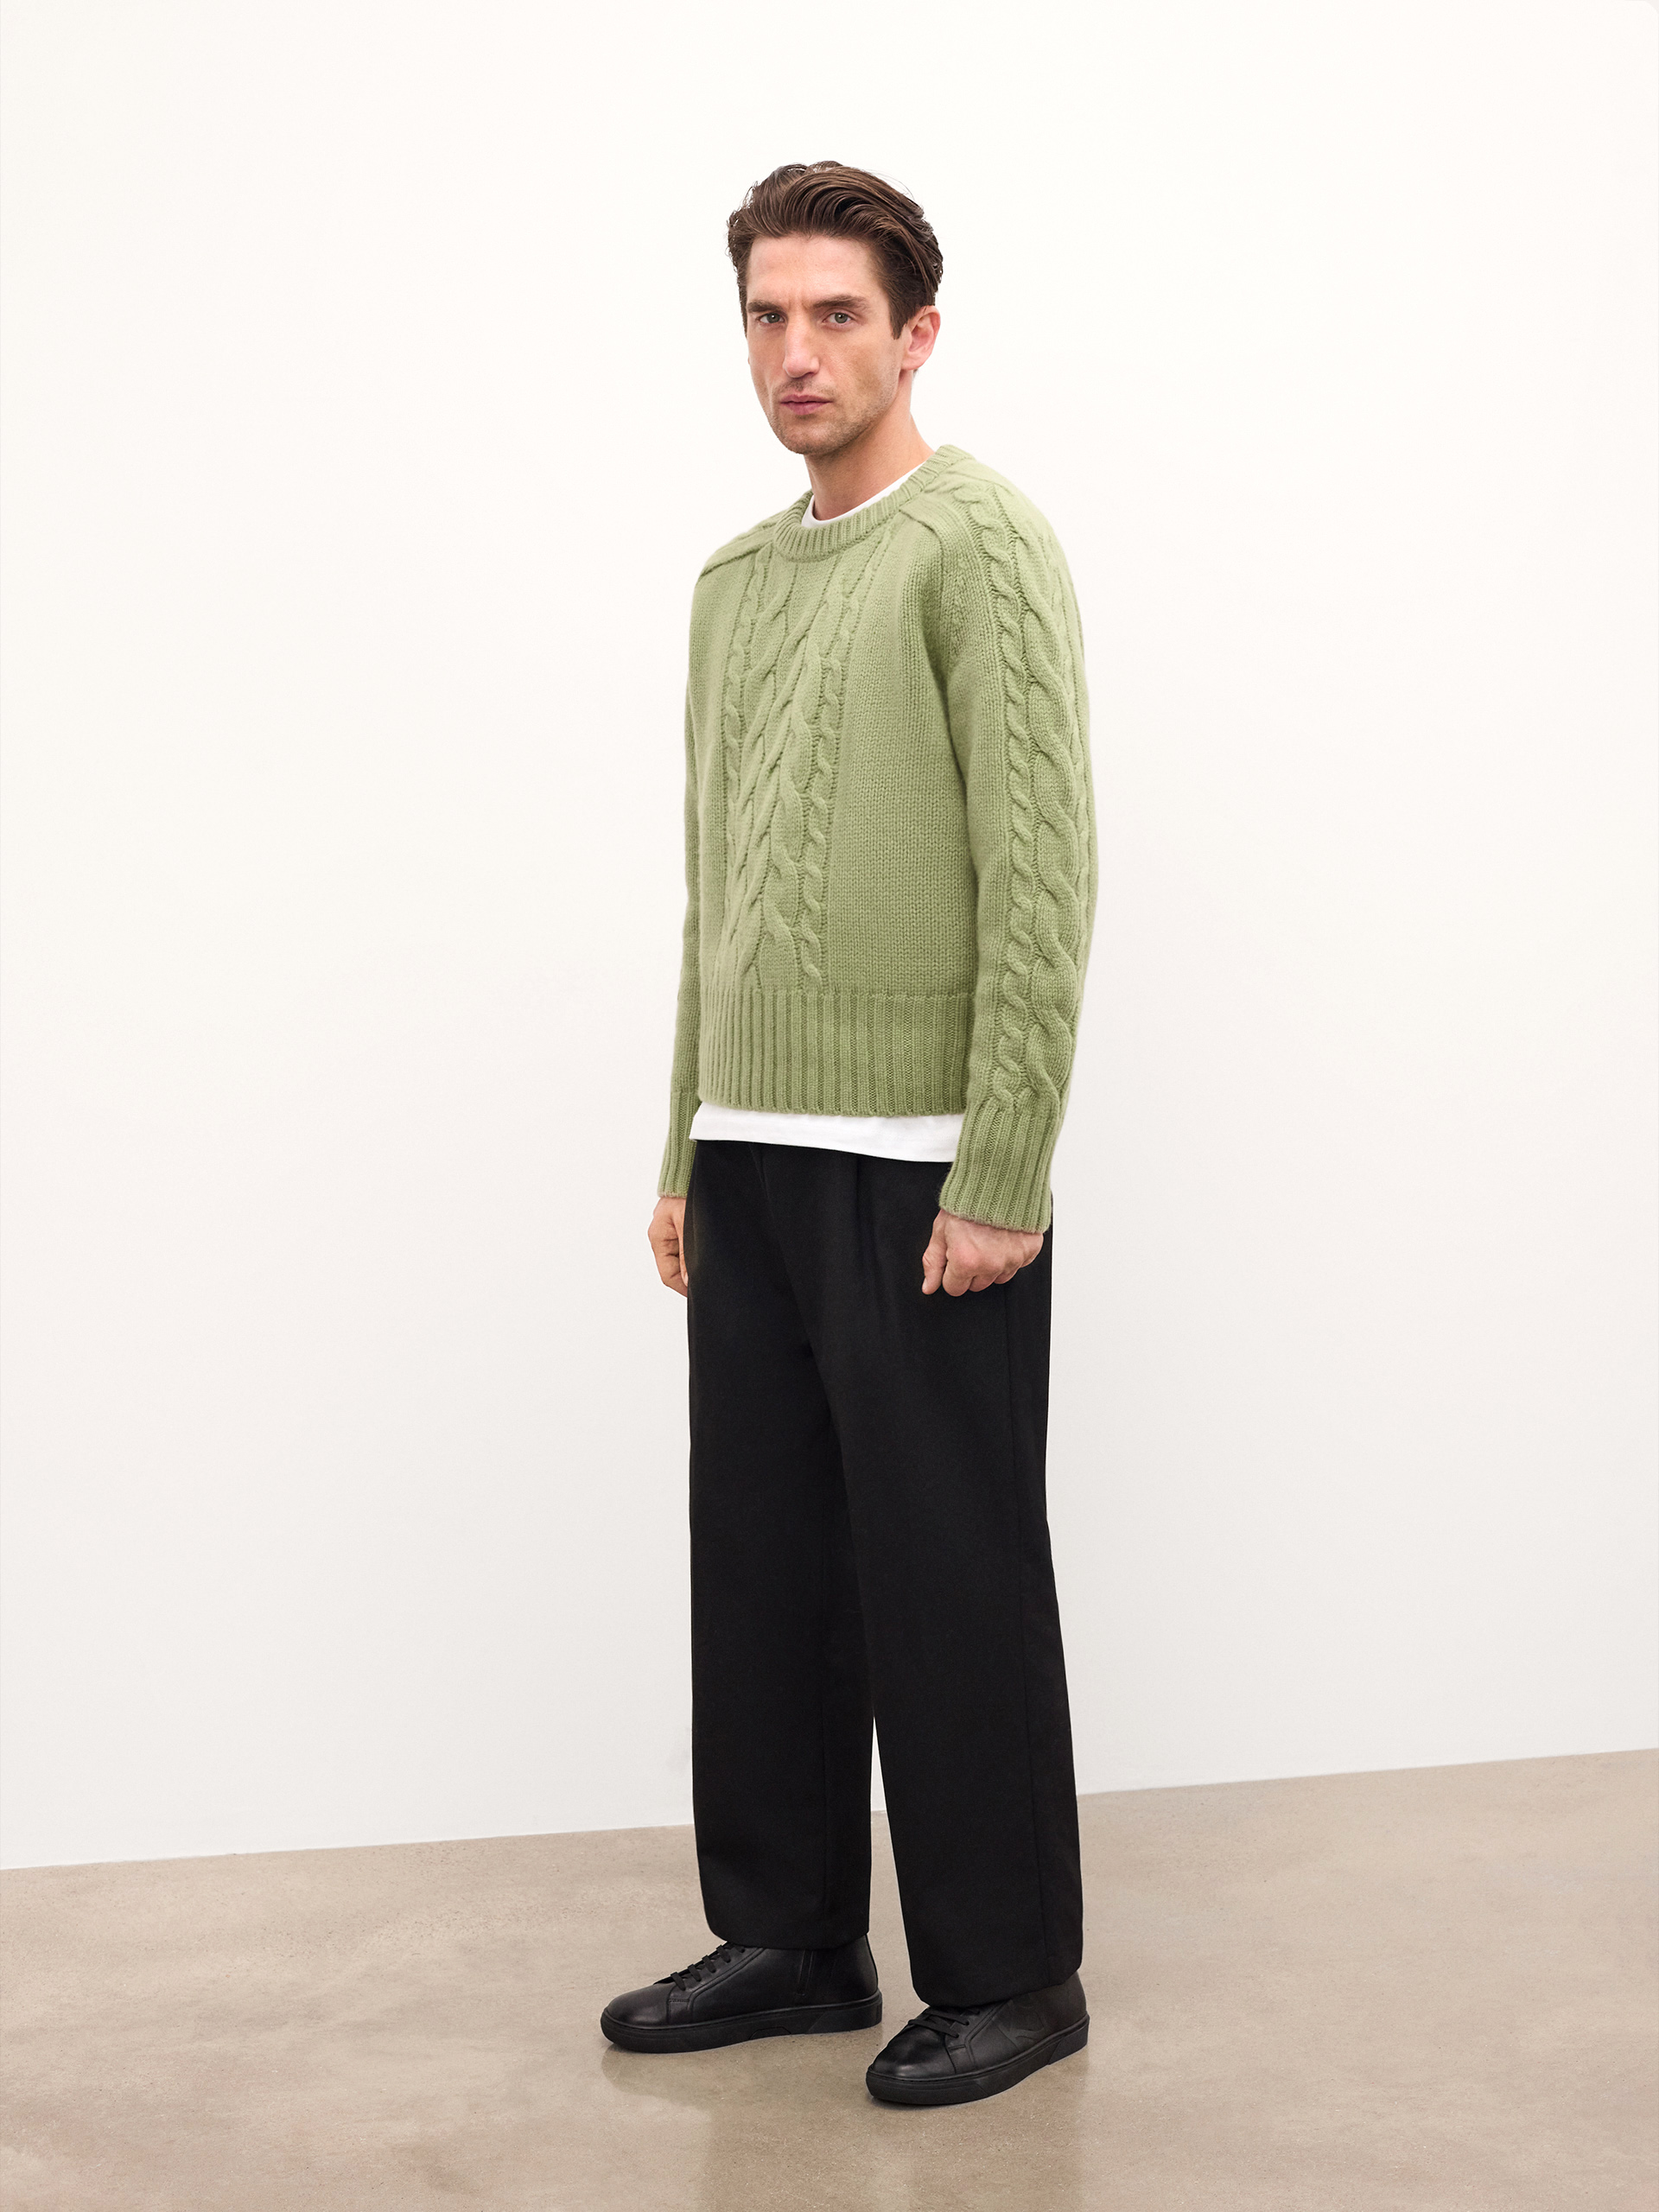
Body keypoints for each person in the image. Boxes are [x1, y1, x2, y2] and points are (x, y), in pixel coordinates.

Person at [600, 161, 1097, 2109]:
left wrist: (1006, 1165)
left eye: (834, 315)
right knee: (768, 1565)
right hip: (753, 1145)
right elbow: (712, 893)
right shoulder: (733, 586)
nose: (795, 352)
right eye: (766, 315)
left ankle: (1014, 1973)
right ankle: (795, 1931)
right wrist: (681, 1146)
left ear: (915, 333)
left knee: (949, 1571)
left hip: (922, 1162)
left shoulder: (978, 542)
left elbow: (1041, 872)